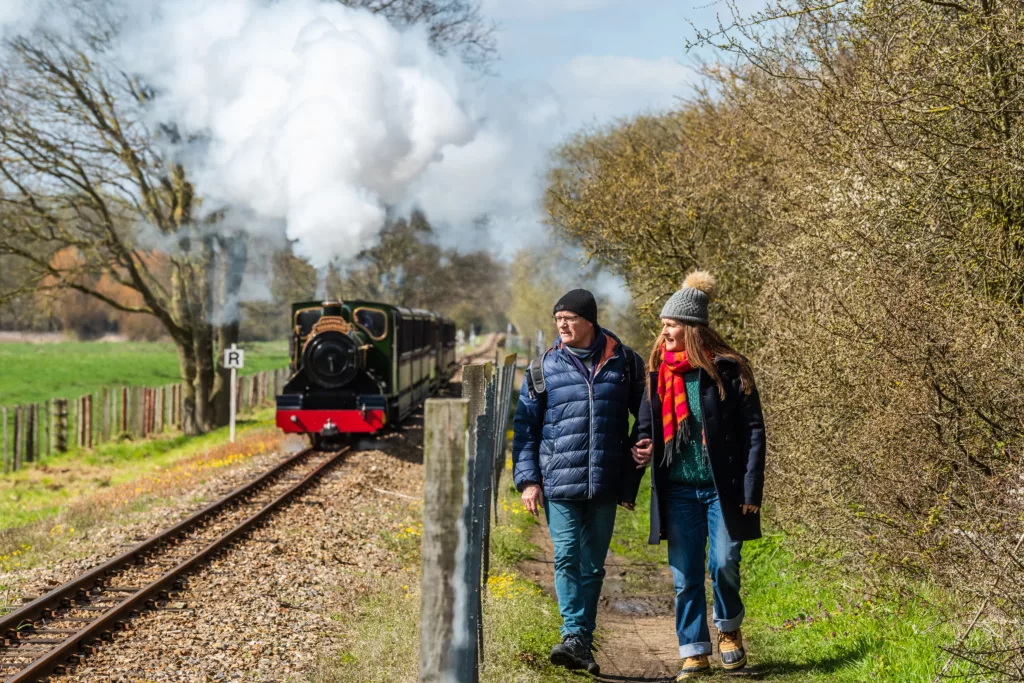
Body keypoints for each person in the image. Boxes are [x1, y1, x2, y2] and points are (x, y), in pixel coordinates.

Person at [632, 271, 766, 680]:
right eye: (663, 325)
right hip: (678, 492)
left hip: (721, 490)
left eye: (671, 325)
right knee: (685, 574)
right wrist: (645, 445)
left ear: (691, 329)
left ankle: (728, 630)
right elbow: (645, 426)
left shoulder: (728, 371)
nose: (664, 332)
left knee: (724, 561)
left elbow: (754, 431)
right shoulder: (658, 374)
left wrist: (750, 487)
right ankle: (694, 650)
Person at [512, 288, 646, 675]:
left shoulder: (625, 363)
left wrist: (642, 444)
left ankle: (580, 643)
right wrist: (528, 481)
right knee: (568, 555)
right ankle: (573, 633)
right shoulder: (543, 367)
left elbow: (649, 412)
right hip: (558, 482)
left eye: (569, 318)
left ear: (590, 321)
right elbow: (525, 429)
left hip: (605, 480)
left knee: (592, 566)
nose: (562, 325)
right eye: (558, 320)